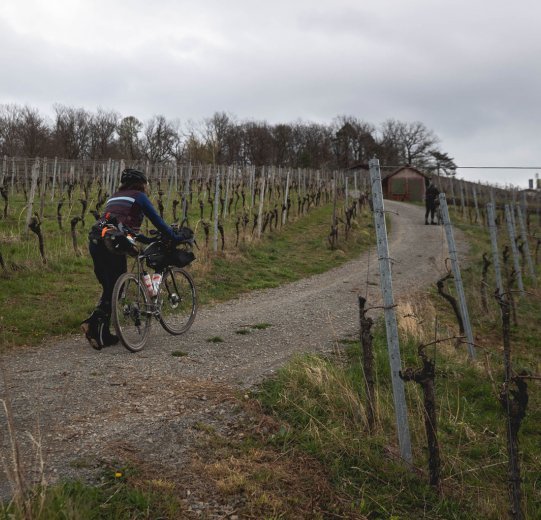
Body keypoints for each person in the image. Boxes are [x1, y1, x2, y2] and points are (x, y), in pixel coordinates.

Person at [81, 168, 183, 350]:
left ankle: (103, 333)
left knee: (110, 288)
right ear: (142, 184)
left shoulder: (114, 196)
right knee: (116, 288)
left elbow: (121, 225)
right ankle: (93, 323)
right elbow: (157, 220)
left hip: (96, 240)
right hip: (113, 244)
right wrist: (173, 237)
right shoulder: (139, 196)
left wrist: (146, 239)